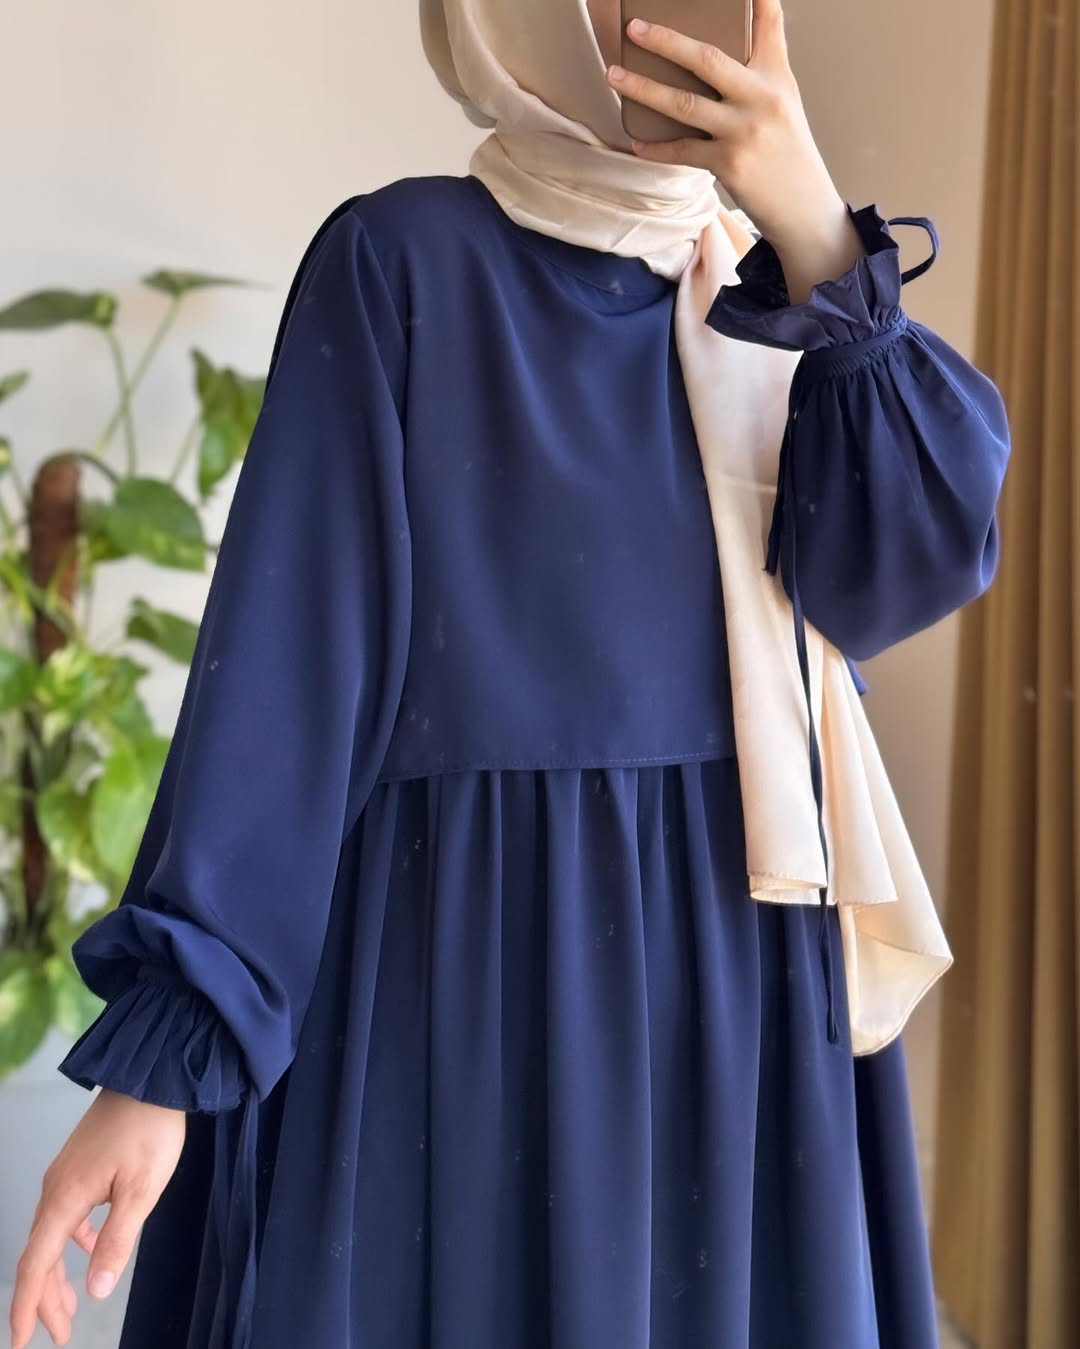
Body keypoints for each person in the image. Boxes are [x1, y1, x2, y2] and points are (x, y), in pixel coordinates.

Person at [9, 1, 1011, 1346]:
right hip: (469, 986)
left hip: (743, 986)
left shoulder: (789, 304)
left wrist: (818, 227)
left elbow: (927, 554)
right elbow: (290, 677)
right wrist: (163, 1063)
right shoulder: (401, 262)